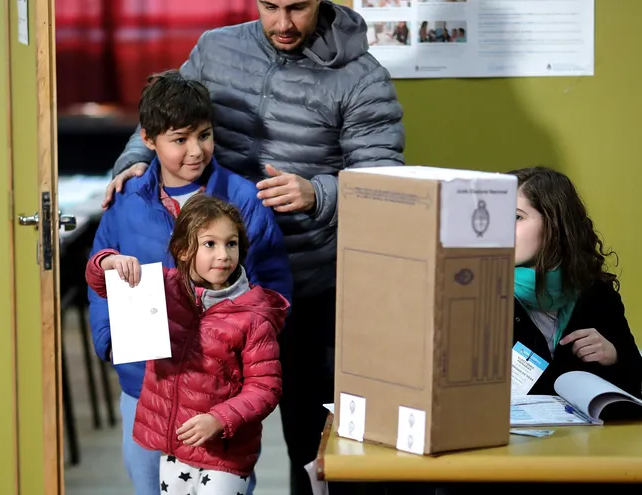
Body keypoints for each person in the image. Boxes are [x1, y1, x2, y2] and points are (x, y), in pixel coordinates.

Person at [102, 2, 405, 492]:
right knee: (196, 442)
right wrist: (133, 161)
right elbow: (166, 119)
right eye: (270, 7)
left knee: (312, 444)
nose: (283, 23)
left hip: (306, 288)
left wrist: (319, 192)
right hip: (203, 292)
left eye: (298, 8)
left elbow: (385, 180)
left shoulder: (363, 77)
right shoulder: (215, 49)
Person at [88, 70, 292, 495]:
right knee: (149, 486)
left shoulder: (243, 198)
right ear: (148, 140)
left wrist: (249, 338)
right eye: (179, 139)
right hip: (145, 385)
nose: (196, 151)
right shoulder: (126, 203)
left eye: (204, 135)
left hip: (219, 394)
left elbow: (273, 284)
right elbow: (100, 273)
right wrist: (111, 342)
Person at [86, 194, 290, 495]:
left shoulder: (254, 314)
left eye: (231, 244)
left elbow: (265, 387)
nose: (223, 255)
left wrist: (219, 419)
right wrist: (109, 260)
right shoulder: (161, 289)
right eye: (210, 244)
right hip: (176, 448)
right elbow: (100, 281)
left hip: (224, 455)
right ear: (183, 250)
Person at [510, 166, 642, 397]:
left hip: (585, 432)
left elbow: (640, 385)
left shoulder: (596, 293)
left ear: (554, 224)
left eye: (516, 217)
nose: (501, 228)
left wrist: (613, 356)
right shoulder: (480, 293)